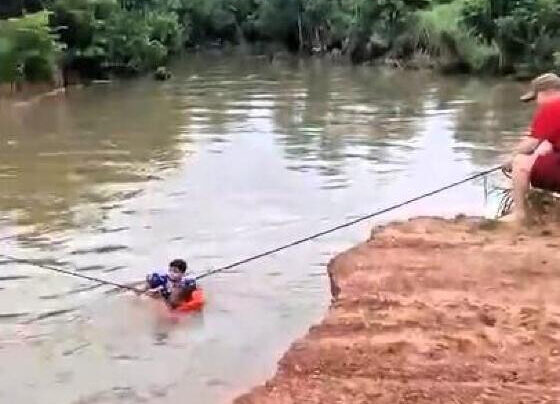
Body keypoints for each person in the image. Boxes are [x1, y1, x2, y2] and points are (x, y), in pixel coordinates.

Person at [505, 72, 560, 223]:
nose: (537, 103)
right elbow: (548, 144)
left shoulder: (553, 107)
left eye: (536, 98)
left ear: (548, 92)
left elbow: (531, 142)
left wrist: (510, 159)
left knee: (520, 162)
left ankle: (519, 214)